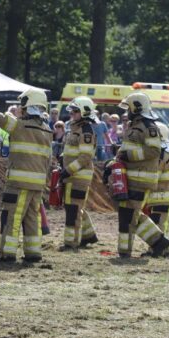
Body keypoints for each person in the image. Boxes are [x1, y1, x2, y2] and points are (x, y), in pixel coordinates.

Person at [0, 89, 52, 263]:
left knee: (12, 217)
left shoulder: (18, 126)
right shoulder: (47, 130)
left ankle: (6, 253)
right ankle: (33, 253)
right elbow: (48, 160)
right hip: (37, 184)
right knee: (32, 218)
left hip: (18, 183)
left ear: (26, 106)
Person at [111, 93, 169, 258]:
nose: (127, 111)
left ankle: (128, 251)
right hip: (130, 177)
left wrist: (129, 156)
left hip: (140, 179)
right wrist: (114, 163)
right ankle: (158, 242)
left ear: (136, 107)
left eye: (129, 107)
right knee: (127, 214)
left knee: (128, 216)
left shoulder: (149, 127)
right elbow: (126, 150)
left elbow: (154, 150)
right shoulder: (135, 125)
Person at [59, 97, 99, 250]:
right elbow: (73, 151)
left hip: (78, 176)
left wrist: (67, 170)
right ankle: (88, 236)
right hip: (72, 175)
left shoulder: (86, 130)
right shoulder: (75, 128)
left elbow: (85, 157)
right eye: (72, 111)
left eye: (75, 111)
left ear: (84, 112)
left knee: (73, 210)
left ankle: (71, 243)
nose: (72, 114)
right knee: (74, 207)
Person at [145, 122, 169, 257]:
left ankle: (157, 250)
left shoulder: (161, 154)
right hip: (163, 196)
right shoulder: (165, 152)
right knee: (161, 223)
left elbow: (154, 176)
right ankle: (164, 250)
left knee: (157, 223)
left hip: (161, 196)